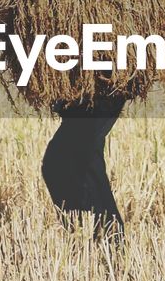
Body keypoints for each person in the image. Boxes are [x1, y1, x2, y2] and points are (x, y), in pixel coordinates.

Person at [41, 95, 126, 242]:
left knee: (82, 162)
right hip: (87, 97)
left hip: (101, 93)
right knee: (59, 161)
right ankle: (87, 235)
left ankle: (107, 240)